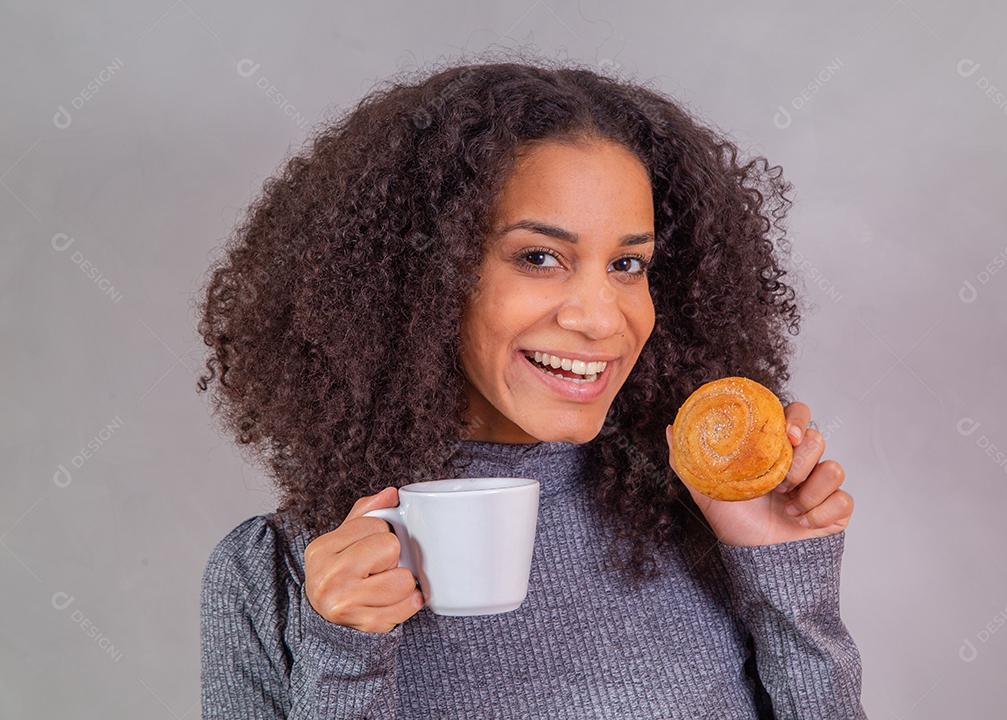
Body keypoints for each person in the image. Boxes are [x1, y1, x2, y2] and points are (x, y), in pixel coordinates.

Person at [196, 59, 866, 719]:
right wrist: (345, 656)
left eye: (628, 264)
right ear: (423, 274)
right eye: (539, 258)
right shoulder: (281, 576)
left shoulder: (697, 518)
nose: (602, 317)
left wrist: (784, 577)